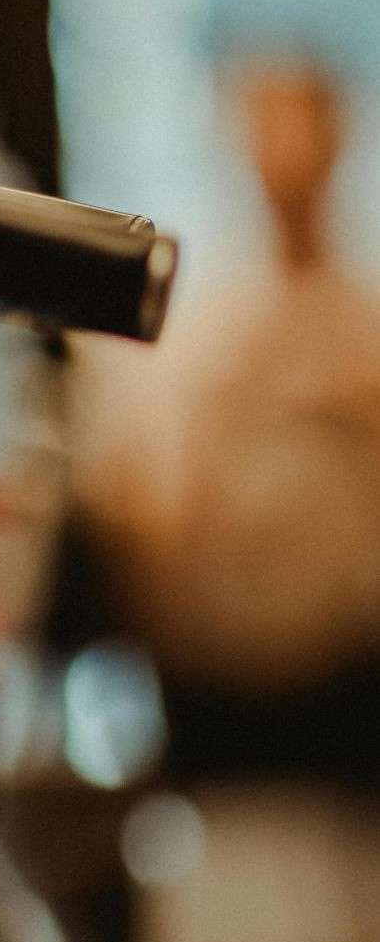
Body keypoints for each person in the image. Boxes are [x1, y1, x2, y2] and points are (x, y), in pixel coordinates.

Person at [71, 57, 380, 690]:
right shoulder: (202, 322)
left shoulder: (364, 320)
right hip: (213, 673)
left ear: (340, 137)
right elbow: (147, 504)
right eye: (266, 124)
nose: (286, 153)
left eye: (302, 123)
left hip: (349, 670)